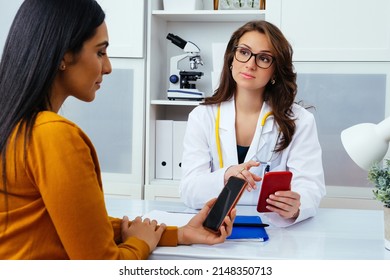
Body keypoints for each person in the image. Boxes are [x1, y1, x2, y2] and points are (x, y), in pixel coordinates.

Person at [0, 0, 235, 260]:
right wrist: (140, 244)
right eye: (100, 52)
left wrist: (179, 233)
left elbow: (80, 223)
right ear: (65, 55)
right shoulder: (53, 135)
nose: (108, 67)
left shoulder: (16, 127)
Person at [180, 20, 326, 227]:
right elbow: (189, 191)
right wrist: (226, 176)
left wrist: (297, 206)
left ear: (275, 71)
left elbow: (311, 187)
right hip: (214, 227)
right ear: (232, 58)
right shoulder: (202, 116)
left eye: (264, 58)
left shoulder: (300, 120)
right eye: (244, 52)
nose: (250, 64)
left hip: (275, 231)